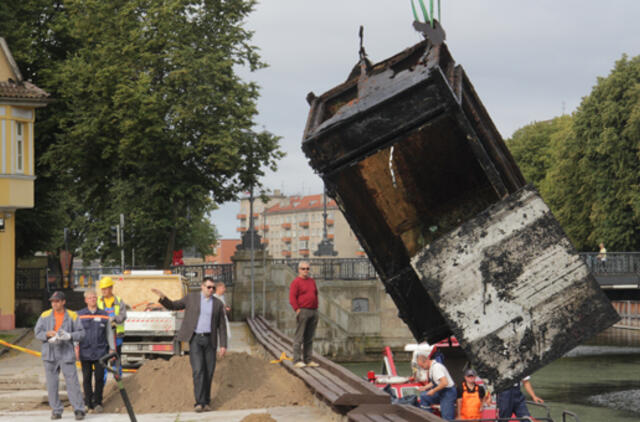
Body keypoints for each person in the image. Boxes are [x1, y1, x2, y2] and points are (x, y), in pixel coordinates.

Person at [151, 278, 227, 413]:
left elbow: (222, 325)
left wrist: (223, 345)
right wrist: (163, 297)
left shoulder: (217, 304)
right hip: (196, 339)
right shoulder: (191, 298)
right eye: (209, 287)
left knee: (208, 372)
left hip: (210, 341)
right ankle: (199, 403)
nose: (211, 290)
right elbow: (174, 305)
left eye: (213, 288)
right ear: (202, 287)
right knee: (198, 370)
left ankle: (206, 401)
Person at [34, 291, 86, 420]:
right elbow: (37, 332)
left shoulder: (73, 316)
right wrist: (47, 334)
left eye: (57, 301)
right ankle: (56, 410)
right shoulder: (45, 315)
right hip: (50, 353)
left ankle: (79, 410)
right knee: (52, 384)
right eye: (52, 301)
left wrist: (70, 336)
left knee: (73, 383)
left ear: (63, 302)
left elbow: (81, 333)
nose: (54, 304)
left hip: (66, 353)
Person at [76, 290, 115, 414]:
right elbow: (76, 333)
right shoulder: (79, 315)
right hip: (85, 352)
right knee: (86, 378)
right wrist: (75, 347)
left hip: (100, 352)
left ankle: (98, 402)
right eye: (90, 298)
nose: (93, 299)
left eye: (94, 297)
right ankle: (88, 403)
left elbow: (109, 333)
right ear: (85, 300)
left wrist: (112, 348)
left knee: (99, 378)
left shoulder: (104, 315)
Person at [289, 261, 319, 368]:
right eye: (303, 269)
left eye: (307, 268)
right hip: (303, 311)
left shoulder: (312, 281)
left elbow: (315, 294)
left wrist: (316, 309)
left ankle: (308, 359)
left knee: (309, 337)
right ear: (299, 270)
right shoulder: (296, 282)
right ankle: (297, 360)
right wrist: (297, 310)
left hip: (313, 311)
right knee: (299, 336)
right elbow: (292, 298)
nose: (305, 271)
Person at [416, 351, 457, 420]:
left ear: (426, 361)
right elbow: (434, 382)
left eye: (422, 366)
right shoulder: (431, 368)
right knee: (424, 396)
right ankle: (428, 419)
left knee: (446, 418)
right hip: (440, 392)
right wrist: (424, 387)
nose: (422, 368)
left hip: (448, 393)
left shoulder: (437, 368)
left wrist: (433, 390)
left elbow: (444, 383)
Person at [97, 276, 127, 357]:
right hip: (102, 335)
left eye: (105, 289)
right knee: (103, 359)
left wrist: (114, 318)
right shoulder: (98, 301)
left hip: (116, 335)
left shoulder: (119, 301)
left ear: (111, 288)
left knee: (116, 358)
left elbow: (123, 316)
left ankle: (117, 370)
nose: (103, 291)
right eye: (102, 289)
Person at [213, 279, 231, 346]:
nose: (224, 289)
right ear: (219, 288)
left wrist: (226, 308)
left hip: (224, 319)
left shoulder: (222, 297)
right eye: (223, 288)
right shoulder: (214, 297)